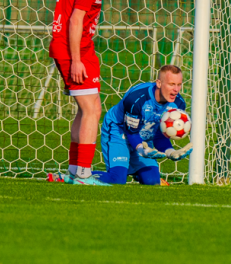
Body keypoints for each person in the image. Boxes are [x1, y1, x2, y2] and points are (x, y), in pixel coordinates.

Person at [51, 65, 192, 185]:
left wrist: (170, 151)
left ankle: (138, 172)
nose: (176, 89)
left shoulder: (178, 104)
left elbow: (159, 136)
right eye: (171, 84)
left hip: (143, 134)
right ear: (159, 83)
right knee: (117, 179)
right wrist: (141, 150)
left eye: (179, 84)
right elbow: (131, 132)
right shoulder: (137, 99)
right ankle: (74, 176)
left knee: (152, 181)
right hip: (119, 131)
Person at [48, 0, 112, 185]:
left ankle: (75, 171)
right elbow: (76, 19)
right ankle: (83, 174)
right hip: (75, 48)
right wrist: (76, 60)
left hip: (68, 45)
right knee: (91, 110)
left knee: (87, 109)